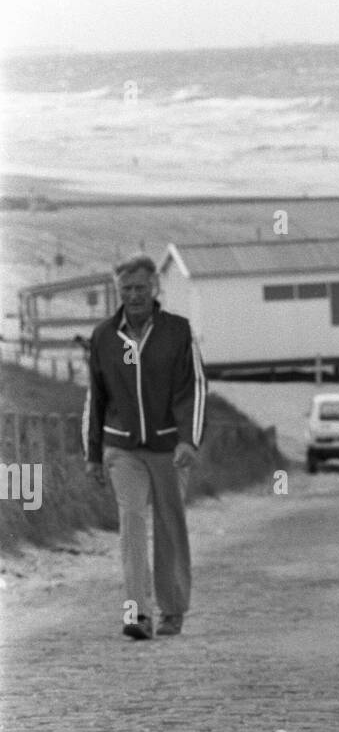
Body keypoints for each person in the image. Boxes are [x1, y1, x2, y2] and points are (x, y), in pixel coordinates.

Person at [83, 255, 206, 639]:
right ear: (118, 292)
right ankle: (137, 614)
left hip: (169, 446)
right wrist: (92, 453)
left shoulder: (178, 332)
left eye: (140, 288)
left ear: (154, 288)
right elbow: (96, 399)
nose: (133, 296)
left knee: (170, 524)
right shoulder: (103, 336)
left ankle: (172, 609)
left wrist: (189, 439)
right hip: (122, 448)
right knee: (131, 522)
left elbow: (195, 389)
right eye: (126, 289)